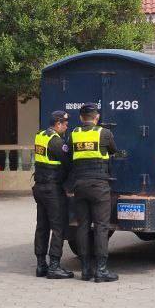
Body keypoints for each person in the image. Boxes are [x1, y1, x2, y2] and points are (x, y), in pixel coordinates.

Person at [68, 103, 120, 283]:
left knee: (82, 226)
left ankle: (85, 270)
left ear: (81, 118)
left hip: (79, 185)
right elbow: (113, 151)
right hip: (99, 186)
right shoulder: (104, 133)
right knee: (101, 227)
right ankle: (101, 270)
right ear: (97, 117)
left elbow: (68, 154)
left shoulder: (74, 134)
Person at [32, 110, 74, 279]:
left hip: (39, 187)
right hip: (52, 189)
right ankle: (54, 266)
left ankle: (41, 265)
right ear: (58, 124)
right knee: (58, 227)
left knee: (42, 227)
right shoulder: (56, 141)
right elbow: (68, 162)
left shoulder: (40, 136)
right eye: (65, 124)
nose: (67, 126)